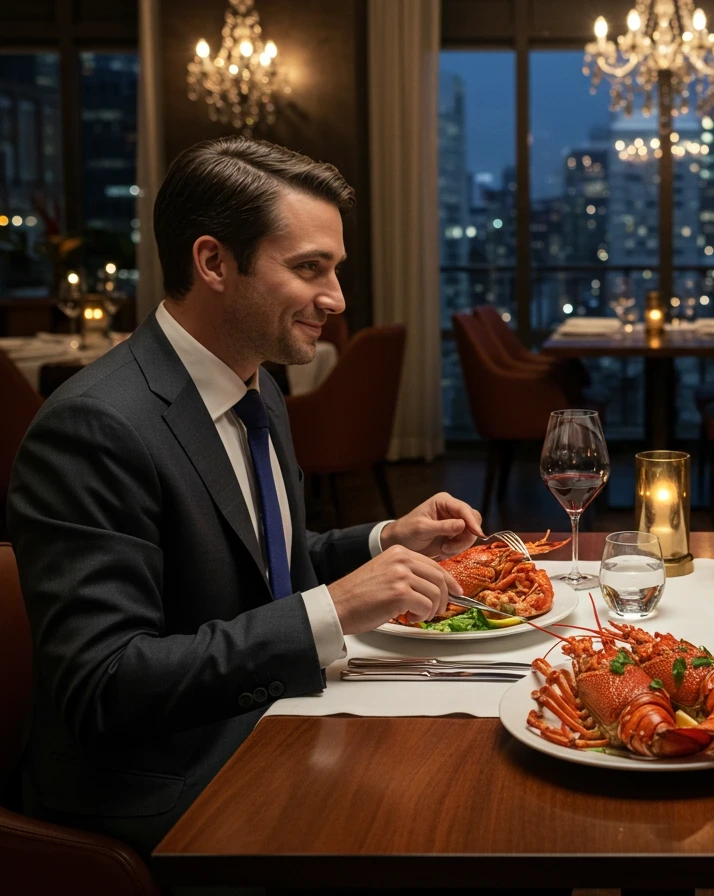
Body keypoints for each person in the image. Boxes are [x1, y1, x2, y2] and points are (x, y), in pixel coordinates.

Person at [7, 136, 485, 856]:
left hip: (263, 714)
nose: (337, 298)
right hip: (156, 782)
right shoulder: (95, 426)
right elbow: (106, 685)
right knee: (444, 829)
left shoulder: (256, 384)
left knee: (470, 768)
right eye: (308, 269)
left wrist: (383, 541)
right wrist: (336, 607)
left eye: (335, 269)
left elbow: (266, 569)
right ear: (212, 262)